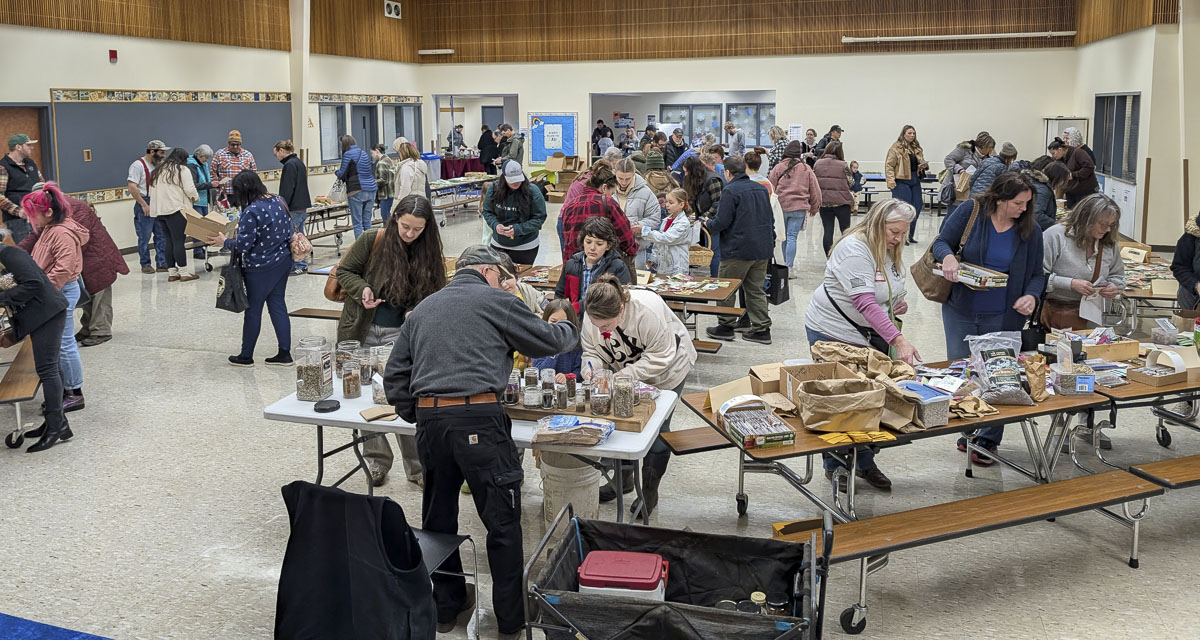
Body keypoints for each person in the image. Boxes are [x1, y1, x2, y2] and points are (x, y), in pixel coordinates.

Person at [384, 244, 578, 640]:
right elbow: (550, 340)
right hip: (479, 420)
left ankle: (445, 608)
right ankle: (510, 621)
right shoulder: (496, 301)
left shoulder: (422, 309)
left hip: (432, 422)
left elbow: (394, 378)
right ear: (489, 271)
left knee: (437, 519)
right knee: (502, 523)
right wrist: (571, 325)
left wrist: (422, 414)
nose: (506, 284)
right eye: (503, 277)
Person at [804, 198, 920, 490]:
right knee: (841, 403)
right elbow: (865, 303)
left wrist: (895, 304)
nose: (898, 239)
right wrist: (899, 339)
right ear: (877, 223)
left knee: (870, 400)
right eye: (894, 232)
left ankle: (865, 463)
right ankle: (836, 466)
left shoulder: (888, 246)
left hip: (868, 335)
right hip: (833, 332)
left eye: (903, 233)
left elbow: (881, 292)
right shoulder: (854, 249)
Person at [933, 173, 1045, 462]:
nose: (1023, 208)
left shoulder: (1030, 231)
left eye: (1027, 204)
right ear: (999, 199)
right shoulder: (970, 212)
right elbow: (942, 241)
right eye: (1018, 203)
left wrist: (1031, 296)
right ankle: (968, 430)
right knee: (964, 372)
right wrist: (947, 257)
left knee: (999, 376)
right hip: (962, 308)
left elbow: (1036, 274)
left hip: (1004, 315)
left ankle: (988, 439)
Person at [336, 195, 446, 487]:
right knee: (365, 399)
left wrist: (417, 310)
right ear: (395, 218)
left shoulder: (430, 251)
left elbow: (436, 290)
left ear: (427, 228)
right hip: (362, 329)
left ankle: (417, 467)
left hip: (402, 335)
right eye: (405, 226)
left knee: (405, 398)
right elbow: (344, 271)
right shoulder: (374, 239)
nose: (409, 234)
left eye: (417, 229)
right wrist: (362, 290)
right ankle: (377, 462)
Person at [581, 274, 697, 515]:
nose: (601, 330)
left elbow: (660, 357)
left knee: (657, 429)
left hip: (667, 371)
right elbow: (591, 350)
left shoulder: (647, 310)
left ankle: (649, 492)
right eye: (596, 324)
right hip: (623, 371)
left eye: (606, 325)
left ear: (621, 309)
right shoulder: (593, 313)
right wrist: (593, 372)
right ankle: (621, 483)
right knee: (623, 423)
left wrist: (624, 375)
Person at [20, 188, 127, 348]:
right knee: (87, 295)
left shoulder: (71, 210)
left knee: (99, 294)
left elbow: (72, 242)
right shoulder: (55, 213)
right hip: (84, 259)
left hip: (97, 256)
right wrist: (15, 253)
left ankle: (101, 330)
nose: (31, 220)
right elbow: (35, 236)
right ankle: (87, 328)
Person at [212, 171, 294, 367]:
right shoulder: (278, 199)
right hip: (282, 261)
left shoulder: (252, 210)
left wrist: (225, 241)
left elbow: (243, 245)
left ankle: (246, 355)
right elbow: (288, 230)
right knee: (277, 305)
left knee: (253, 310)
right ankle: (284, 353)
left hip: (260, 267)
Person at [20, 183, 89, 413]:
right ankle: (64, 389)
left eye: (33, 215)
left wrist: (42, 290)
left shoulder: (60, 232)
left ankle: (74, 393)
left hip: (61, 291)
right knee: (59, 343)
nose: (32, 220)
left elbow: (63, 268)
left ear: (48, 211)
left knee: (66, 343)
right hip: (55, 290)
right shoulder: (52, 227)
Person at [0, 240, 70, 452]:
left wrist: (1, 298)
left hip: (48, 313)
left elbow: (34, 284)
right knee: (51, 367)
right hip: (37, 315)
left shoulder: (9, 254)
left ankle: (55, 426)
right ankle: (59, 423)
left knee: (46, 369)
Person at [704, 156, 774, 345]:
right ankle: (761, 329)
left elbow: (722, 222)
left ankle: (725, 326)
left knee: (726, 287)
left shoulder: (730, 190)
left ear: (727, 173)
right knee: (755, 289)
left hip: (737, 249)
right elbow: (770, 218)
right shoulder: (761, 189)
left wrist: (708, 223)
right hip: (762, 248)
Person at [1042, 193, 1124, 329]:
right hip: (1056, 314)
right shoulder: (1055, 236)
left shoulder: (1108, 243)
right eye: (1103, 224)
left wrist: (1114, 287)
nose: (1108, 229)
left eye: (1111, 224)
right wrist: (1071, 283)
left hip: (1092, 315)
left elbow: (1118, 276)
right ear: (1086, 219)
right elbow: (1037, 277)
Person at [558, 163, 638, 264]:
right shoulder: (608, 203)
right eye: (612, 192)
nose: (611, 195)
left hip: (574, 264)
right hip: (601, 265)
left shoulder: (570, 205)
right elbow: (626, 236)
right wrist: (631, 251)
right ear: (604, 188)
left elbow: (567, 239)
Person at [557, 216, 632, 314]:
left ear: (608, 246)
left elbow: (619, 298)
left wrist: (578, 307)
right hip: (575, 320)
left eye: (599, 244)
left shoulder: (618, 267)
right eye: (588, 242)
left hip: (603, 319)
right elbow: (560, 293)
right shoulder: (571, 265)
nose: (592, 248)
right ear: (582, 241)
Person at [481, 159, 547, 265]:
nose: (516, 183)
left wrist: (518, 229)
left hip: (526, 246)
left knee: (520, 278)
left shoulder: (533, 191)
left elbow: (539, 218)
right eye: (512, 180)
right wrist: (495, 225)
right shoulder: (494, 189)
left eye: (518, 179)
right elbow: (487, 211)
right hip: (499, 245)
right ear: (504, 178)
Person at [148, 148, 200, 282]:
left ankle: (172, 273)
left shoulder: (157, 171)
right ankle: (184, 273)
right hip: (176, 210)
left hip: (160, 212)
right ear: (182, 159)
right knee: (179, 241)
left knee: (168, 241)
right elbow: (189, 189)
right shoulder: (181, 170)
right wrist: (195, 198)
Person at [769, 140, 822, 267]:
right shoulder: (806, 168)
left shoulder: (779, 167)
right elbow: (815, 189)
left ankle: (786, 266)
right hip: (799, 207)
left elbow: (771, 187)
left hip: (781, 208)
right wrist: (815, 206)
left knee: (784, 237)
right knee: (792, 236)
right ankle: (789, 266)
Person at [127, 140, 169, 274]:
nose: (163, 155)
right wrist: (143, 204)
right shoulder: (138, 165)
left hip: (158, 203)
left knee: (161, 235)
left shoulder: (159, 165)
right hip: (144, 202)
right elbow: (132, 186)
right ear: (152, 152)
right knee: (144, 236)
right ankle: (145, 264)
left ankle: (162, 263)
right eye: (161, 152)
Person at [884, 125, 929, 244]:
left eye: (913, 133)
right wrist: (890, 181)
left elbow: (919, 160)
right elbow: (889, 165)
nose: (912, 135)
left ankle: (910, 235)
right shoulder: (896, 147)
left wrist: (923, 165)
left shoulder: (916, 147)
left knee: (917, 206)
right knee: (903, 209)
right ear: (903, 134)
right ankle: (901, 235)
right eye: (909, 133)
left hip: (915, 179)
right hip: (901, 180)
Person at [613, 158, 661, 269]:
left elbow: (654, 217)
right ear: (615, 174)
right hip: (612, 247)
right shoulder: (608, 190)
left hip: (637, 247)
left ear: (634, 174)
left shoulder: (646, 192)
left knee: (636, 282)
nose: (624, 182)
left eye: (628, 179)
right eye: (620, 178)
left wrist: (640, 226)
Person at [814, 142, 859, 259]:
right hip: (842, 202)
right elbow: (851, 182)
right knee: (845, 231)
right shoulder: (843, 165)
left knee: (828, 231)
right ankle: (844, 258)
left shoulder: (817, 164)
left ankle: (829, 258)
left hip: (824, 202)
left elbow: (814, 182)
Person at [682, 156, 724, 276]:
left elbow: (718, 203)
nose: (685, 175)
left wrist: (703, 218)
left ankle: (715, 279)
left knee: (713, 252)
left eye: (686, 171)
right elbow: (693, 201)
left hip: (714, 221)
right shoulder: (697, 181)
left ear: (693, 171)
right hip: (702, 219)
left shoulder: (712, 180)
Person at [274, 140, 312, 275]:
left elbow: (287, 189)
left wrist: (282, 206)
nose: (277, 158)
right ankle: (300, 263)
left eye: (276, 154)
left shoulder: (289, 165)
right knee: (299, 235)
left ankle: (299, 264)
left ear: (282, 151)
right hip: (302, 206)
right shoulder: (299, 162)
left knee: (293, 238)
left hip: (293, 207)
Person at [0, 134, 45, 244]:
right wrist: (19, 211)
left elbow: (42, 185)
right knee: (29, 252)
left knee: (44, 251)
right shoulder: (3, 167)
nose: (31, 148)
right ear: (18, 147)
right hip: (18, 220)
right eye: (28, 145)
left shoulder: (31, 164)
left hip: (39, 216)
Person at [640, 188, 693, 276]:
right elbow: (658, 243)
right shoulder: (666, 220)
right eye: (667, 202)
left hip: (677, 267)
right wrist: (654, 258)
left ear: (681, 204)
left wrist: (644, 230)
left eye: (671, 203)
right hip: (663, 266)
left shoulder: (683, 223)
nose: (667, 205)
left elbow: (666, 238)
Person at [335, 135, 377, 239]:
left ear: (344, 144)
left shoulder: (348, 154)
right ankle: (371, 248)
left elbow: (342, 174)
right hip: (371, 189)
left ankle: (361, 250)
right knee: (367, 222)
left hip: (357, 190)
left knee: (357, 223)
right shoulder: (364, 153)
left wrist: (336, 172)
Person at [531, 299, 583, 381]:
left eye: (564, 322)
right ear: (546, 321)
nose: (558, 326)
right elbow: (540, 373)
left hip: (568, 389)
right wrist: (554, 351)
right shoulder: (538, 341)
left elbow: (579, 372)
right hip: (545, 388)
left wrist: (567, 377)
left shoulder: (577, 342)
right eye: (553, 321)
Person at [943, 132, 994, 211]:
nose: (991, 150)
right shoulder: (965, 149)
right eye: (990, 147)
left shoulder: (988, 158)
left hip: (971, 190)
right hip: (957, 186)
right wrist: (959, 169)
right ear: (982, 146)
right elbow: (948, 159)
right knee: (953, 214)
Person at [1048, 137, 1098, 208]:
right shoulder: (1060, 159)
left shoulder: (1078, 153)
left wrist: (1074, 175)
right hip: (1070, 191)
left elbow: (1089, 167)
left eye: (1053, 153)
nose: (1053, 156)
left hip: (1084, 191)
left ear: (1060, 150)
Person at [186, 144, 215, 259]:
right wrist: (210, 185)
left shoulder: (203, 164)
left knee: (205, 226)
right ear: (198, 155)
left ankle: (204, 248)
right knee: (198, 227)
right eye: (205, 157)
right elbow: (193, 185)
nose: (206, 160)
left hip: (204, 199)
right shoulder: (191, 165)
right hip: (196, 201)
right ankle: (197, 251)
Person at [210, 130, 256, 201]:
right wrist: (217, 184)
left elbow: (253, 173)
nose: (235, 147)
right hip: (225, 194)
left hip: (242, 193)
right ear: (228, 143)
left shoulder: (248, 155)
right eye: (232, 144)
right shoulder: (219, 154)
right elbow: (212, 171)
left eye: (237, 144)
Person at [1026, 157, 1070, 230]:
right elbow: (1036, 215)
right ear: (1059, 178)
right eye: (1065, 179)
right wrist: (1056, 223)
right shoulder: (1043, 190)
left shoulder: (1043, 186)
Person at [1172, 208, 1200, 311]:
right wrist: (1196, 285)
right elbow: (1179, 267)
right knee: (1192, 326)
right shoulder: (1190, 237)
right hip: (1192, 298)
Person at [371, 143, 396, 227]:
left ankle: (389, 236)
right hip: (391, 192)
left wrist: (372, 182)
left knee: (385, 217)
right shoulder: (388, 160)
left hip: (385, 194)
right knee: (388, 216)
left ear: (377, 151)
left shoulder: (381, 163)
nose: (372, 155)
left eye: (372, 153)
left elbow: (383, 180)